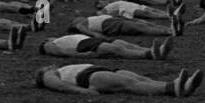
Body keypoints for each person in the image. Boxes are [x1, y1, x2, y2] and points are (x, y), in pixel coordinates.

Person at [36, 64, 202, 98]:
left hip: (100, 70)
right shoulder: (48, 75)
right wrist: (83, 91)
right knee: (130, 84)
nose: (50, 66)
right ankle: (172, 88)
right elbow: (58, 85)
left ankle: (180, 86)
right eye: (46, 67)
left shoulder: (59, 69)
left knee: (141, 79)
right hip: (89, 77)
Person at [40, 33, 172, 61]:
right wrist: (80, 55)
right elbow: (60, 52)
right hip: (82, 45)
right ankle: (149, 55)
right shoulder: (48, 44)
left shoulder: (59, 38)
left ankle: (154, 51)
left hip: (88, 40)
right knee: (116, 49)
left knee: (122, 43)